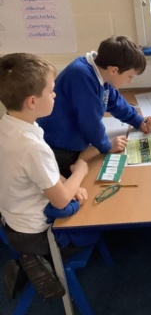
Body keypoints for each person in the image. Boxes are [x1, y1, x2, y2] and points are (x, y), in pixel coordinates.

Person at [0, 53, 89, 299]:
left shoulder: (8, 126)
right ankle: (36, 262)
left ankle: (27, 259)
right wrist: (80, 172)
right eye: (51, 91)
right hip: (38, 234)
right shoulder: (32, 147)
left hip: (11, 223)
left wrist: (66, 183)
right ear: (32, 101)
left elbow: (40, 173)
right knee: (91, 229)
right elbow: (60, 201)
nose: (55, 95)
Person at [38, 35, 151, 178]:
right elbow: (90, 121)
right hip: (59, 146)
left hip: (75, 140)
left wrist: (139, 121)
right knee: (78, 184)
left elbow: (114, 102)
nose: (131, 81)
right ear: (114, 70)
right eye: (130, 76)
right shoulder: (81, 75)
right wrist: (106, 146)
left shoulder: (102, 72)